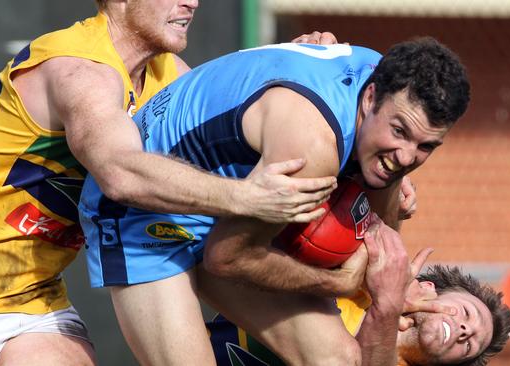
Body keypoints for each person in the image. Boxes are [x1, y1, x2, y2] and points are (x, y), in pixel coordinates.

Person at [0, 0, 342, 364]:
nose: (192, 2)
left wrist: (301, 67)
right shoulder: (78, 67)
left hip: (26, 305)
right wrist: (248, 197)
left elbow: (234, 122)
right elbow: (120, 173)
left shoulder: (167, 75)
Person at [79, 37, 472, 365]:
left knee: (338, 360)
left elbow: (380, 221)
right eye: (400, 132)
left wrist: (390, 284)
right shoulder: (312, 147)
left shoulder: (383, 78)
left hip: (226, 210)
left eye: (425, 147)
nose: (406, 157)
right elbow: (227, 258)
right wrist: (339, 282)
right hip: (146, 208)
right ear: (370, 98)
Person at [205, 255, 510, 365]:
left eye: (470, 344)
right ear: (429, 289)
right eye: (465, 313)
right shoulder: (353, 278)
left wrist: (388, 308)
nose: (465, 330)